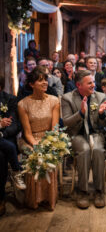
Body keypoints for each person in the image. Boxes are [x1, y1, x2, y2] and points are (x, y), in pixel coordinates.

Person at [61, 70, 106, 209]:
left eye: (94, 82)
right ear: (79, 85)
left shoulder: (100, 96)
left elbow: (105, 123)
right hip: (77, 134)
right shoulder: (67, 98)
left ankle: (99, 191)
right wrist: (80, 113)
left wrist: (101, 114)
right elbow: (66, 122)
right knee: (84, 150)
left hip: (96, 133)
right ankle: (82, 191)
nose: (93, 85)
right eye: (90, 83)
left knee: (97, 150)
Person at [18, 66, 60, 209]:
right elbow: (27, 132)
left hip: (49, 137)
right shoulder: (23, 104)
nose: (45, 83)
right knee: (34, 155)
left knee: (49, 153)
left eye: (46, 80)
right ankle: (35, 199)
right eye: (40, 81)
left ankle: (49, 199)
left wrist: (49, 141)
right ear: (31, 84)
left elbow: (54, 128)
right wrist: (35, 144)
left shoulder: (54, 101)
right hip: (30, 138)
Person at [0, 76, 25, 190]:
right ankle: (16, 171)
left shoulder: (10, 99)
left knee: (4, 154)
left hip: (6, 136)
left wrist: (3, 134)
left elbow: (15, 124)